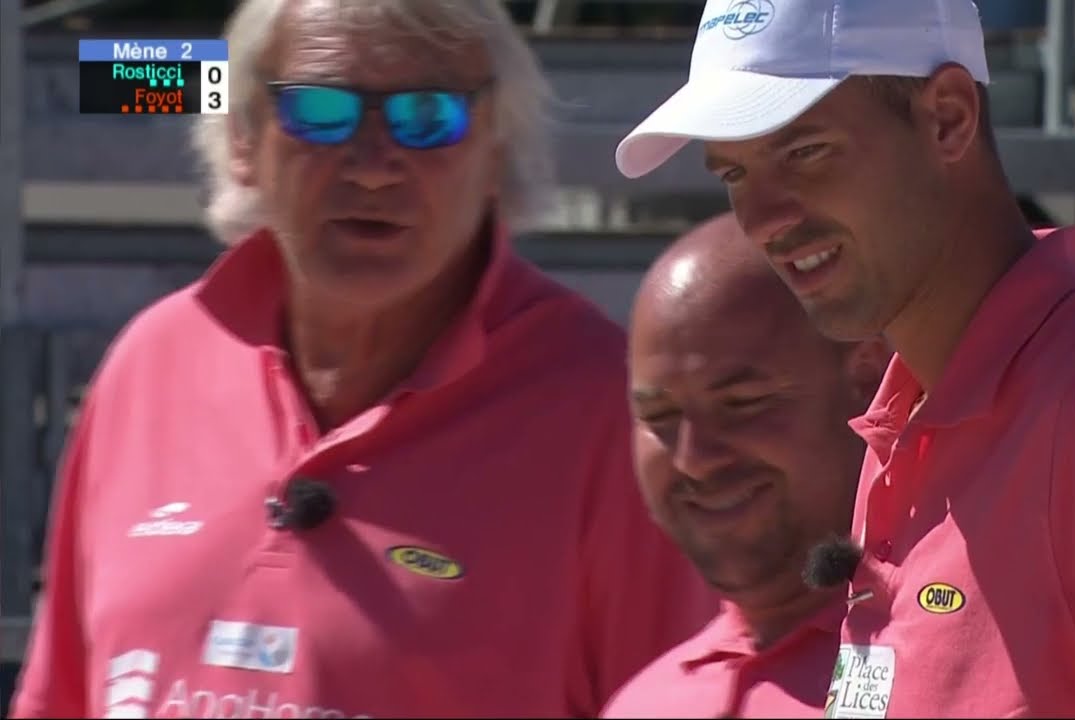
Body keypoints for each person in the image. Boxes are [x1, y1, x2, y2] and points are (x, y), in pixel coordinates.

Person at [9, 0, 718, 717]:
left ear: (497, 151)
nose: (375, 168)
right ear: (244, 139)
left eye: (428, 116)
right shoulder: (150, 367)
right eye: (321, 112)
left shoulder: (603, 415)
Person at [613, 0, 1075, 717]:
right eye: (734, 173)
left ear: (949, 118)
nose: (765, 219)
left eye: (804, 152)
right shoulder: (906, 427)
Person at [603, 213, 889, 718]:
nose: (695, 460)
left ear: (869, 377)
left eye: (742, 403)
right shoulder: (642, 705)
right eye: (660, 416)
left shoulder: (963, 662)